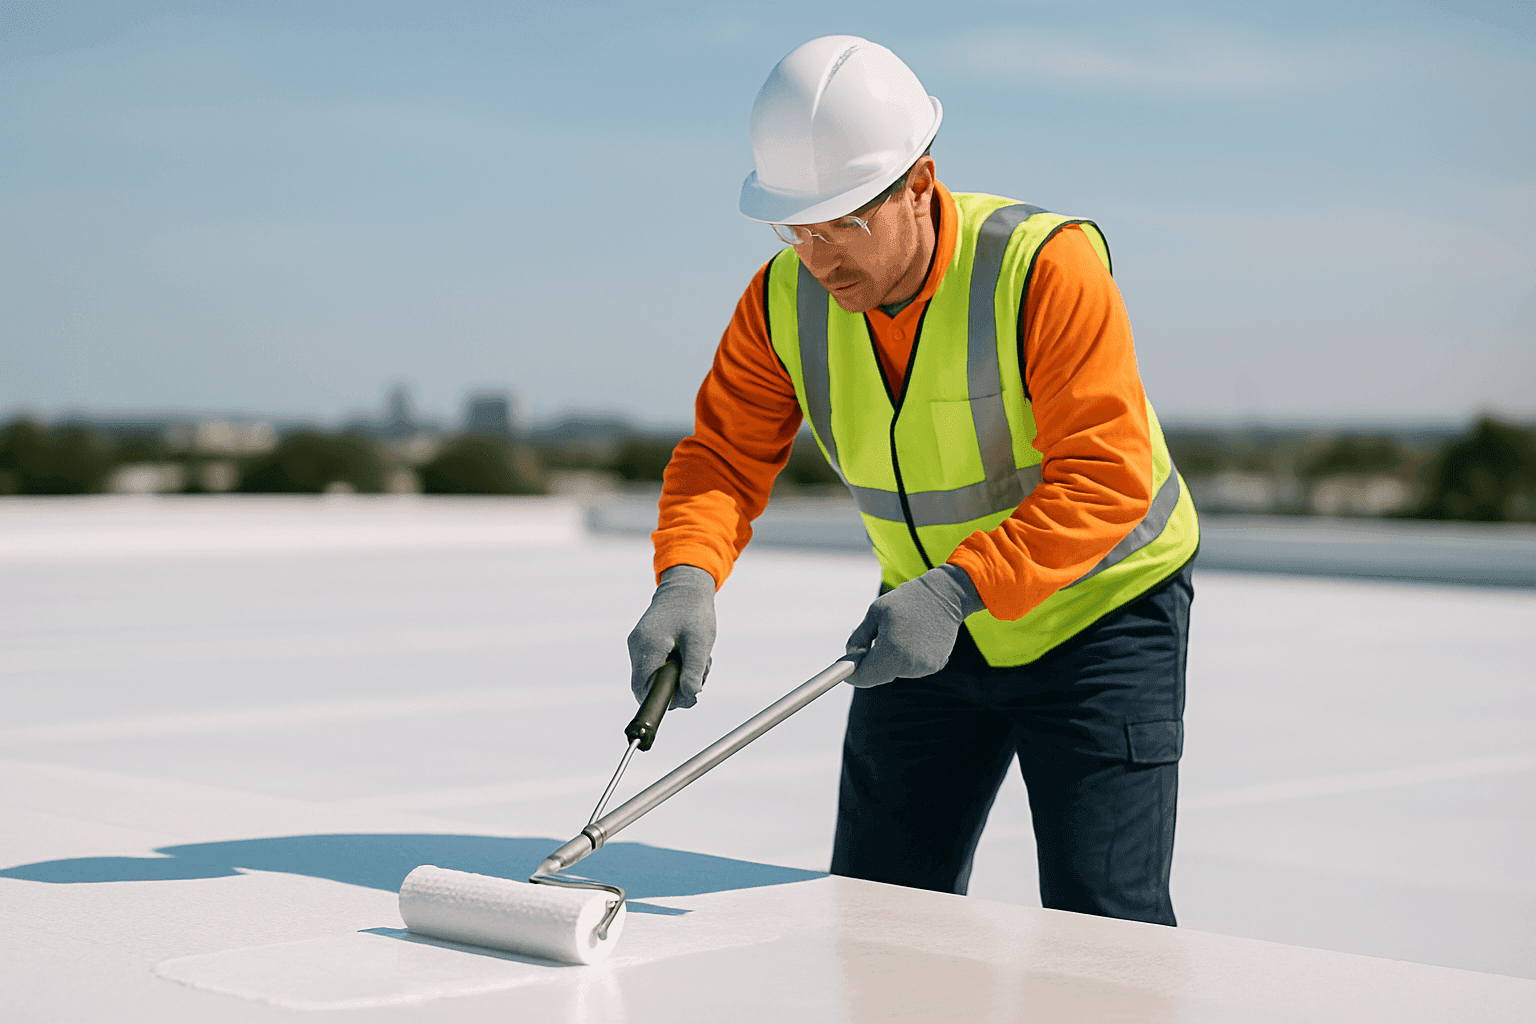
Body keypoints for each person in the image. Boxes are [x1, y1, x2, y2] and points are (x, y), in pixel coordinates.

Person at [626, 35, 1199, 926]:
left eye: (844, 223)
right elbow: (723, 458)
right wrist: (687, 577)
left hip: (1100, 619)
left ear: (920, 184)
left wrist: (960, 587)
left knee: (1103, 926)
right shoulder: (782, 303)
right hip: (923, 626)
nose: (820, 257)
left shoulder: (1041, 268)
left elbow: (1105, 474)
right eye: (798, 228)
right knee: (877, 910)